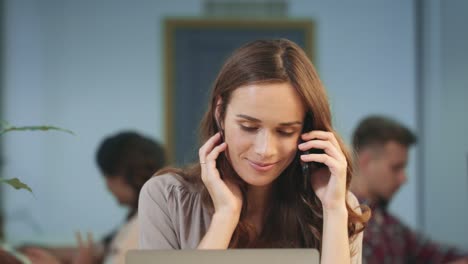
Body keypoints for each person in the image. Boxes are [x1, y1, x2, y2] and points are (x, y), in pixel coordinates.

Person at [138, 39, 370, 263]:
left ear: (306, 131)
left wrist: (334, 210)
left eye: (285, 131)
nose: (264, 150)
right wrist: (225, 216)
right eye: (249, 127)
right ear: (220, 113)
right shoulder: (166, 198)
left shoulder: (337, 204)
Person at [20, 131, 167, 264]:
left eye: (107, 175)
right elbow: (99, 250)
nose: (107, 186)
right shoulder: (144, 219)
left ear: (125, 175)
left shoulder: (142, 227)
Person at [350, 115, 468, 264]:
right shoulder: (345, 221)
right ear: (366, 162)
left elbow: (436, 254)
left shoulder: (391, 226)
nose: (404, 178)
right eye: (396, 168)